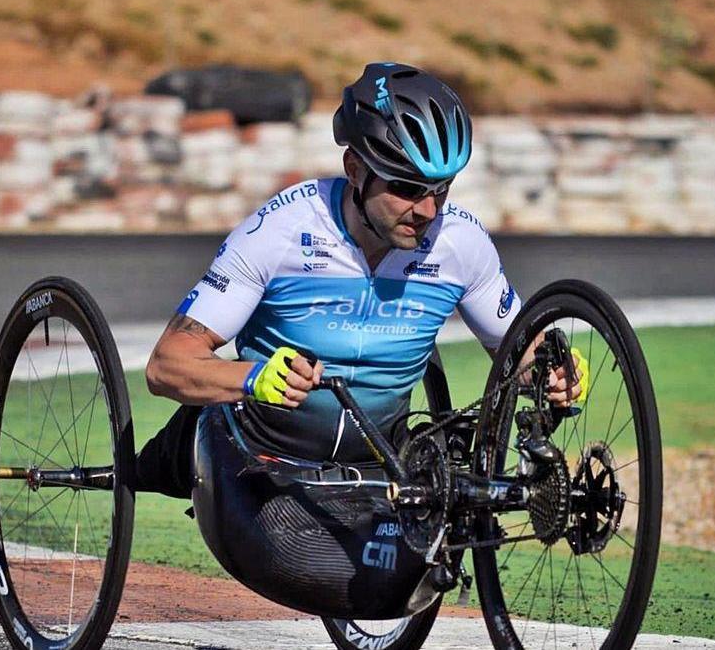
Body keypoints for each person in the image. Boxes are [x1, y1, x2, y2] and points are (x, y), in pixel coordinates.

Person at [135, 62, 583, 498]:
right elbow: (166, 365)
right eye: (406, 188)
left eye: (440, 190)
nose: (426, 211)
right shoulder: (282, 230)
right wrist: (253, 378)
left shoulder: (460, 244)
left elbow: (520, 354)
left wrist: (549, 376)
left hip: (379, 467)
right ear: (355, 169)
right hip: (260, 454)